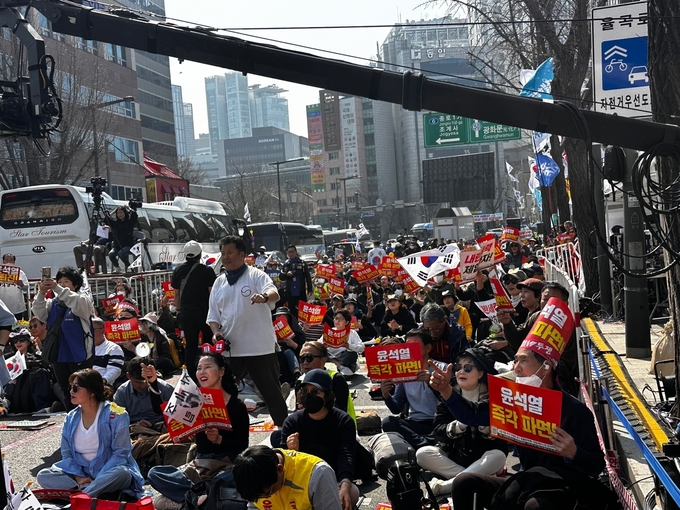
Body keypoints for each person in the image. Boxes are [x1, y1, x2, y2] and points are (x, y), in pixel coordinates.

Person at [429, 333, 609, 510]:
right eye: (515, 361)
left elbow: (596, 465)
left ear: (545, 366)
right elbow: (472, 414)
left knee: (536, 506)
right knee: (464, 482)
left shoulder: (574, 411)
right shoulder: (513, 400)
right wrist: (446, 390)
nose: (516, 368)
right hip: (529, 481)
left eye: (523, 361)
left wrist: (574, 453)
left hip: (564, 488)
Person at [148, 352, 250, 510]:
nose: (201, 372)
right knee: (155, 474)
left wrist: (219, 440)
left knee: (241, 475)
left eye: (207, 367)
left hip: (226, 465)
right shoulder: (192, 399)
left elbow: (243, 446)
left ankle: (192, 498)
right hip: (199, 465)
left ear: (221, 371)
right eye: (199, 368)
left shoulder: (237, 406)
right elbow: (161, 412)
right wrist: (154, 383)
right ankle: (199, 497)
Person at [207, 235, 288, 427]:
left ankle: (285, 432)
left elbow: (273, 293)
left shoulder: (256, 275)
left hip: (259, 348)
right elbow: (213, 317)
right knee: (223, 391)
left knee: (271, 393)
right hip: (230, 349)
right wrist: (216, 332)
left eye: (230, 253)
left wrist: (263, 296)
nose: (225, 257)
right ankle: (223, 430)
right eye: (223, 253)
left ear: (242, 254)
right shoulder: (219, 282)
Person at [36, 369, 144, 498]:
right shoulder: (71, 417)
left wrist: (99, 478)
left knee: (122, 473)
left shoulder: (117, 414)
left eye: (75, 388)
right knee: (43, 475)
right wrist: (78, 477)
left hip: (108, 472)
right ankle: (91, 492)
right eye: (70, 387)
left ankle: (82, 496)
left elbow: (121, 453)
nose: (71, 392)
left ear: (91, 391)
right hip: (81, 475)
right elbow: (67, 454)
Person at [416, 348, 508, 497]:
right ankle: (472, 479)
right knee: (422, 454)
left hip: (485, 457)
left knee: (499, 456)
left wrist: (487, 429)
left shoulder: (494, 395)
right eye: (458, 367)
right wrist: (459, 425)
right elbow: (438, 431)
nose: (461, 371)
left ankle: (445, 486)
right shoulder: (447, 393)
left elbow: (504, 436)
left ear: (480, 373)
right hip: (456, 456)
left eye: (468, 368)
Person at [279, 369, 359, 510]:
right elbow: (282, 467)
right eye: (305, 391)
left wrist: (345, 485)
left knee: (352, 492)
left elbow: (346, 455)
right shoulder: (292, 422)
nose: (308, 395)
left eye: (315, 392)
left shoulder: (342, 421)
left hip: (332, 478)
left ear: (327, 396)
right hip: (301, 480)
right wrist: (291, 453)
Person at [32, 266, 95, 411]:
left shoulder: (82, 300)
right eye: (59, 281)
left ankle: (89, 421)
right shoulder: (53, 303)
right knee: (67, 392)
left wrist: (57, 288)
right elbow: (38, 312)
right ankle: (72, 421)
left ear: (76, 285)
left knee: (84, 390)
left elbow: (73, 299)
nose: (61, 285)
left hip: (79, 354)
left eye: (66, 281)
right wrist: (41, 293)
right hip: (59, 356)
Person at [380, 329, 442, 450]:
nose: (410, 349)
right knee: (388, 422)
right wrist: (386, 395)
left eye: (415, 345)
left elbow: (450, 401)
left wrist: (432, 384)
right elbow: (396, 408)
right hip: (415, 423)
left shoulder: (441, 369)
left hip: (438, 422)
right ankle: (425, 444)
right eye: (407, 346)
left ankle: (422, 443)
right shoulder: (404, 371)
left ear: (428, 348)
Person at [233, 445, 342, 509]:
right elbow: (254, 507)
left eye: (268, 493)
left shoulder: (318, 473)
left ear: (280, 469)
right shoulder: (252, 478)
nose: (264, 499)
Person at [171, 240, 216, 381]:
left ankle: (190, 375)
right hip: (205, 313)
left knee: (190, 345)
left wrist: (178, 311)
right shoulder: (207, 271)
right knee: (208, 343)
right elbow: (212, 294)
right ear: (200, 254)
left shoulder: (177, 270)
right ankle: (210, 371)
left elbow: (176, 294)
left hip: (186, 313)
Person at [3, 329, 57, 413]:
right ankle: (6, 402)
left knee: (39, 373)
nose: (18, 343)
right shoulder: (7, 358)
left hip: (30, 385)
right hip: (12, 385)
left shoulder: (37, 357)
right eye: (15, 341)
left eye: (22, 340)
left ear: (28, 342)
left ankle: (42, 405)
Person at [113, 357, 174, 425]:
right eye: (138, 382)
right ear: (128, 376)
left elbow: (176, 416)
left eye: (146, 381)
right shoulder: (122, 393)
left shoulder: (166, 389)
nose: (143, 385)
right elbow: (117, 420)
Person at [322, 309, 364, 377]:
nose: (337, 321)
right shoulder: (329, 331)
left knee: (352, 353)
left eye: (341, 319)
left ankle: (338, 365)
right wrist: (323, 346)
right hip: (330, 357)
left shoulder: (352, 333)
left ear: (346, 322)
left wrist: (349, 346)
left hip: (344, 358)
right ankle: (340, 366)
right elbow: (318, 344)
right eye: (336, 318)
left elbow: (362, 347)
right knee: (321, 351)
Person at [279, 245, 314, 317]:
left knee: (302, 309)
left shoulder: (302, 263)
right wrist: (286, 274)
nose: (291, 254)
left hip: (301, 290)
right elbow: (281, 277)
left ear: (296, 252)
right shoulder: (286, 264)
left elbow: (307, 276)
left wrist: (310, 289)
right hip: (290, 290)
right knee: (291, 310)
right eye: (289, 252)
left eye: (292, 252)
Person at [91, 317, 125, 387]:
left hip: (103, 387)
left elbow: (115, 369)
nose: (89, 332)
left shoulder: (113, 348)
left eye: (92, 329)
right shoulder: (82, 348)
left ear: (103, 331)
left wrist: (103, 381)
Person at [138, 312, 176, 376]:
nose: (143, 326)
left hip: (159, 361)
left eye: (146, 324)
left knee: (165, 361)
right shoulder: (143, 337)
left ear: (152, 325)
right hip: (149, 362)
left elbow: (166, 355)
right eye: (142, 324)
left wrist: (154, 363)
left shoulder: (160, 336)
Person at [104, 206, 138, 272]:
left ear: (125, 213)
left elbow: (134, 215)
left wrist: (128, 208)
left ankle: (129, 267)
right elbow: (106, 219)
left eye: (121, 212)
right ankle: (117, 267)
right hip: (117, 246)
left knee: (121, 253)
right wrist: (114, 211)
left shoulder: (129, 222)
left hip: (128, 245)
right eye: (118, 213)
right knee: (111, 254)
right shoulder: (115, 223)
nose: (120, 215)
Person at [0, 254, 28, 320]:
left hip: (17, 307)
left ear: (14, 262)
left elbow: (26, 288)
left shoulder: (20, 273)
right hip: (2, 307)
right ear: (3, 261)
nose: (8, 262)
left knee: (17, 328)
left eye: (11, 260)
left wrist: (21, 285)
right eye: (6, 260)